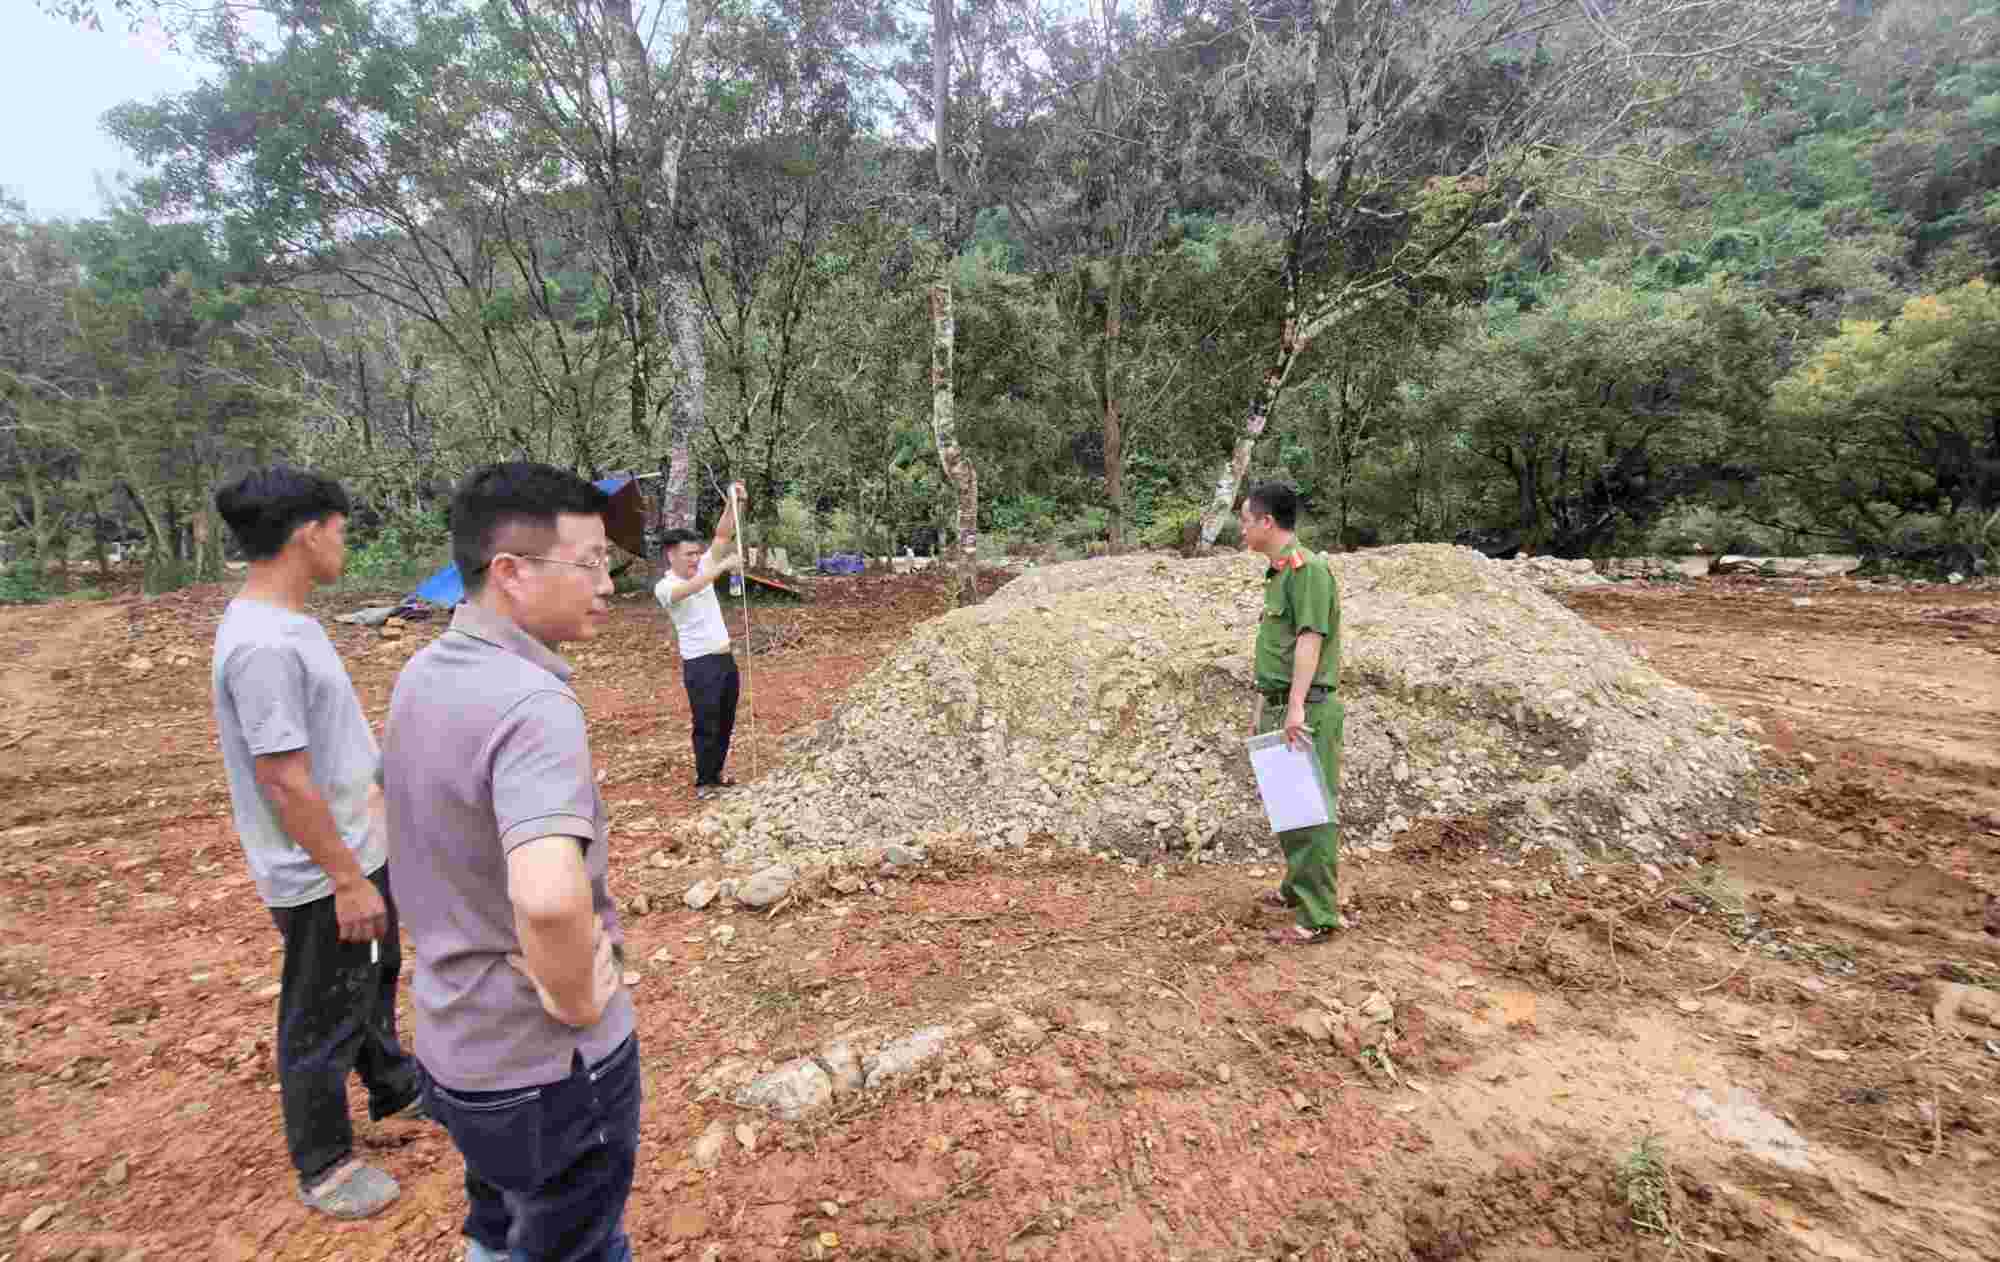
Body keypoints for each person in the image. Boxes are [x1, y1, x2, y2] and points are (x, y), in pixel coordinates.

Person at [385, 462, 636, 1262]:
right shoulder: (534, 706)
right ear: (511, 573)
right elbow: (551, 899)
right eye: (590, 562)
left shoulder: (423, 674)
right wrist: (575, 1004)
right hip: (546, 1066)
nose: (607, 583)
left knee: (498, 1221)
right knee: (574, 1244)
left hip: (455, 1045)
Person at [209, 466, 424, 1221]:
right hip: (319, 870)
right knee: (322, 1010)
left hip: (355, 847)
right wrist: (346, 880)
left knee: (371, 975)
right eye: (342, 529)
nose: (346, 544)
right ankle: (324, 1161)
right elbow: (285, 780)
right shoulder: (263, 644)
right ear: (310, 531)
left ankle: (396, 1087)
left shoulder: (289, 622)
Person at [1238, 481, 1346, 945]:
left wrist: (1297, 707)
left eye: (1245, 520)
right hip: (1281, 705)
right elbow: (1276, 651)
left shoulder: (1309, 571)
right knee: (1289, 808)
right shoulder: (1279, 574)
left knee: (1311, 813)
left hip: (1307, 709)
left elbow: (1310, 640)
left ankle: (1319, 915)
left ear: (1266, 522)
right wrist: (1263, 707)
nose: (1241, 529)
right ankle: (1295, 889)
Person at [654, 482, 747, 799]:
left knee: (725, 719)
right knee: (706, 721)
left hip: (724, 659)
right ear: (671, 556)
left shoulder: (703, 566)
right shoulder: (665, 587)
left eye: (697, 553)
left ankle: (716, 773)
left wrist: (732, 504)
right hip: (700, 664)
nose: (695, 559)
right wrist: (721, 567)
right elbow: (689, 589)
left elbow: (722, 537)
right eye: (688, 554)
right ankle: (705, 781)